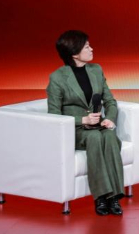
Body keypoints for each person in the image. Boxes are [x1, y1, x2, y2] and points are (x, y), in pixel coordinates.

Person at [46, 30, 124, 216]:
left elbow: (110, 101)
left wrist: (110, 118)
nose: (91, 49)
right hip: (76, 130)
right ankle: (101, 197)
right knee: (94, 137)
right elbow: (54, 115)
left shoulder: (96, 70)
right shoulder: (57, 77)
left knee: (109, 136)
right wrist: (82, 120)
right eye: (87, 46)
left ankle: (114, 196)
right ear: (74, 53)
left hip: (98, 125)